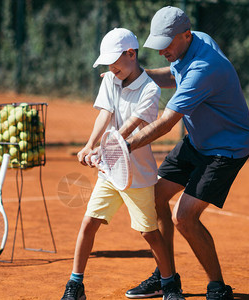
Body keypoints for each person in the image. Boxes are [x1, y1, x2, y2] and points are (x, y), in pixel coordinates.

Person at [123, 6, 249, 300]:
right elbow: (171, 76)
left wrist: (125, 145)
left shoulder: (204, 68)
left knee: (184, 218)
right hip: (199, 141)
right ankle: (165, 276)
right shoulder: (193, 43)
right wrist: (136, 76)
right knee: (155, 196)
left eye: (165, 45)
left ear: (185, 35)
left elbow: (166, 123)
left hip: (226, 149)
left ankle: (218, 287)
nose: (161, 52)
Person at [60, 28, 185, 300]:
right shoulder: (110, 79)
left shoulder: (150, 89)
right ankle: (75, 285)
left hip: (137, 176)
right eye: (107, 62)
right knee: (88, 224)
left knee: (150, 234)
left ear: (132, 54)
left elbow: (132, 126)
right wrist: (90, 145)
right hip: (109, 174)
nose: (111, 67)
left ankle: (170, 285)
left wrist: (107, 149)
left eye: (115, 60)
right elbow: (105, 114)